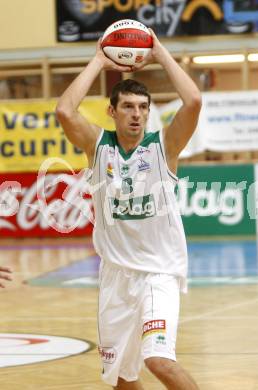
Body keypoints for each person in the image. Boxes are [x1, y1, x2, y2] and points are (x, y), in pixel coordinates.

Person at [56, 29, 201, 390]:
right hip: (115, 277)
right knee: (123, 377)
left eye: (142, 108)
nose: (136, 115)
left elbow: (194, 101)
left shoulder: (164, 147)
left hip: (158, 274)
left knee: (159, 360)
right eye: (128, 107)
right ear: (112, 110)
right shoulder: (97, 145)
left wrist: (160, 52)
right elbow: (63, 110)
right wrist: (100, 59)